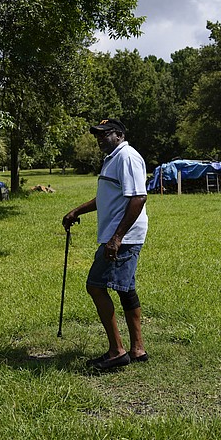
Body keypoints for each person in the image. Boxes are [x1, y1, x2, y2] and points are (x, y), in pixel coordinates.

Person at [62, 118, 149, 370]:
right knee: (124, 289)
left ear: (119, 135)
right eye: (97, 135)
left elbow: (138, 197)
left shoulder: (127, 157)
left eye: (105, 134)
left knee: (96, 286)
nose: (99, 139)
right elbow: (106, 197)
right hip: (118, 236)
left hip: (123, 238)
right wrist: (76, 211)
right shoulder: (113, 158)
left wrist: (117, 238)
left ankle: (116, 351)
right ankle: (137, 349)